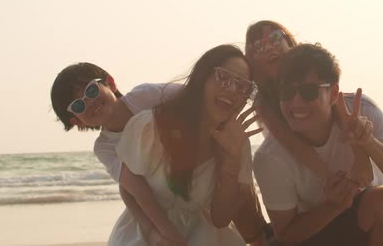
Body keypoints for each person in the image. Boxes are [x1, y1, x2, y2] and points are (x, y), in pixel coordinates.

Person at [245, 20, 383, 227]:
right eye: (257, 45)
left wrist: (361, 154)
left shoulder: (328, 90)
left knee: (374, 143)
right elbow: (293, 144)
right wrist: (332, 178)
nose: (267, 47)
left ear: (291, 44)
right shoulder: (265, 103)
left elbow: (342, 113)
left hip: (358, 177)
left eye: (274, 38)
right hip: (315, 191)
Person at [50, 55, 267, 245]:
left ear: (110, 82)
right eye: (78, 105)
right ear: (76, 120)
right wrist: (159, 232)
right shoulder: (105, 146)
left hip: (197, 194)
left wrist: (225, 122)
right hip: (155, 213)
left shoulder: (146, 97)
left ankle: (261, 236)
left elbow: (196, 96)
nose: (90, 103)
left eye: (91, 90)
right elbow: (134, 189)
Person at [254, 43, 383, 245]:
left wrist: (369, 143)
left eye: (308, 92)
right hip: (312, 234)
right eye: (287, 92)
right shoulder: (271, 157)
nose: (296, 103)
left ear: (333, 94)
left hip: (364, 223)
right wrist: (335, 205)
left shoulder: (361, 112)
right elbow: (286, 234)